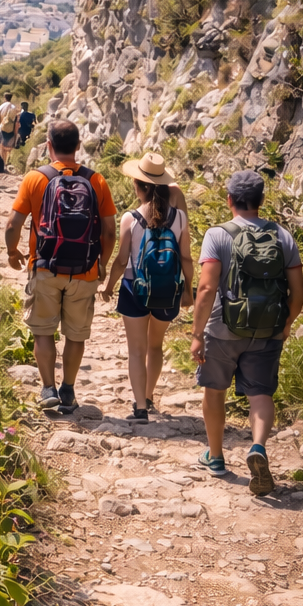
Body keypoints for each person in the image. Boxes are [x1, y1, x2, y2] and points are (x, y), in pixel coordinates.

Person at [192, 169, 303, 494]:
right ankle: (257, 446)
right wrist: (285, 325)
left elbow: (206, 287)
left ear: (229, 200)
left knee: (214, 391)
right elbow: (298, 292)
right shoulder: (282, 236)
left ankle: (215, 457)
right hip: (267, 328)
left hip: (222, 330)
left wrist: (197, 334)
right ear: (262, 201)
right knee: (260, 394)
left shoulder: (217, 234)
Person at [4, 119, 117, 412]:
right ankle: (68, 389)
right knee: (75, 334)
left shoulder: (35, 178)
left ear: (48, 145)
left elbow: (13, 224)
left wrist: (12, 252)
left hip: (44, 266)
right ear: (78, 146)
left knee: (43, 331)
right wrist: (101, 263)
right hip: (85, 270)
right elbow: (109, 231)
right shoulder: (97, 180)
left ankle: (47, 389)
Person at [100, 153, 194, 420]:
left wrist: (109, 287)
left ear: (139, 187)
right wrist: (188, 290)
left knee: (136, 350)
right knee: (155, 346)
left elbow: (121, 260)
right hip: (168, 291)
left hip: (134, 289)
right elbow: (186, 258)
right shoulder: (179, 219)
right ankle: (150, 396)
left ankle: (140, 406)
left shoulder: (130, 219)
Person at [0, 91, 20, 169]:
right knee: (8, 150)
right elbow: (16, 121)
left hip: (2, 130)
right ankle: (6, 164)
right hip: (11, 131)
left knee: (2, 148)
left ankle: (1, 166)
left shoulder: (1, 107)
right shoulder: (13, 107)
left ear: (4, 98)